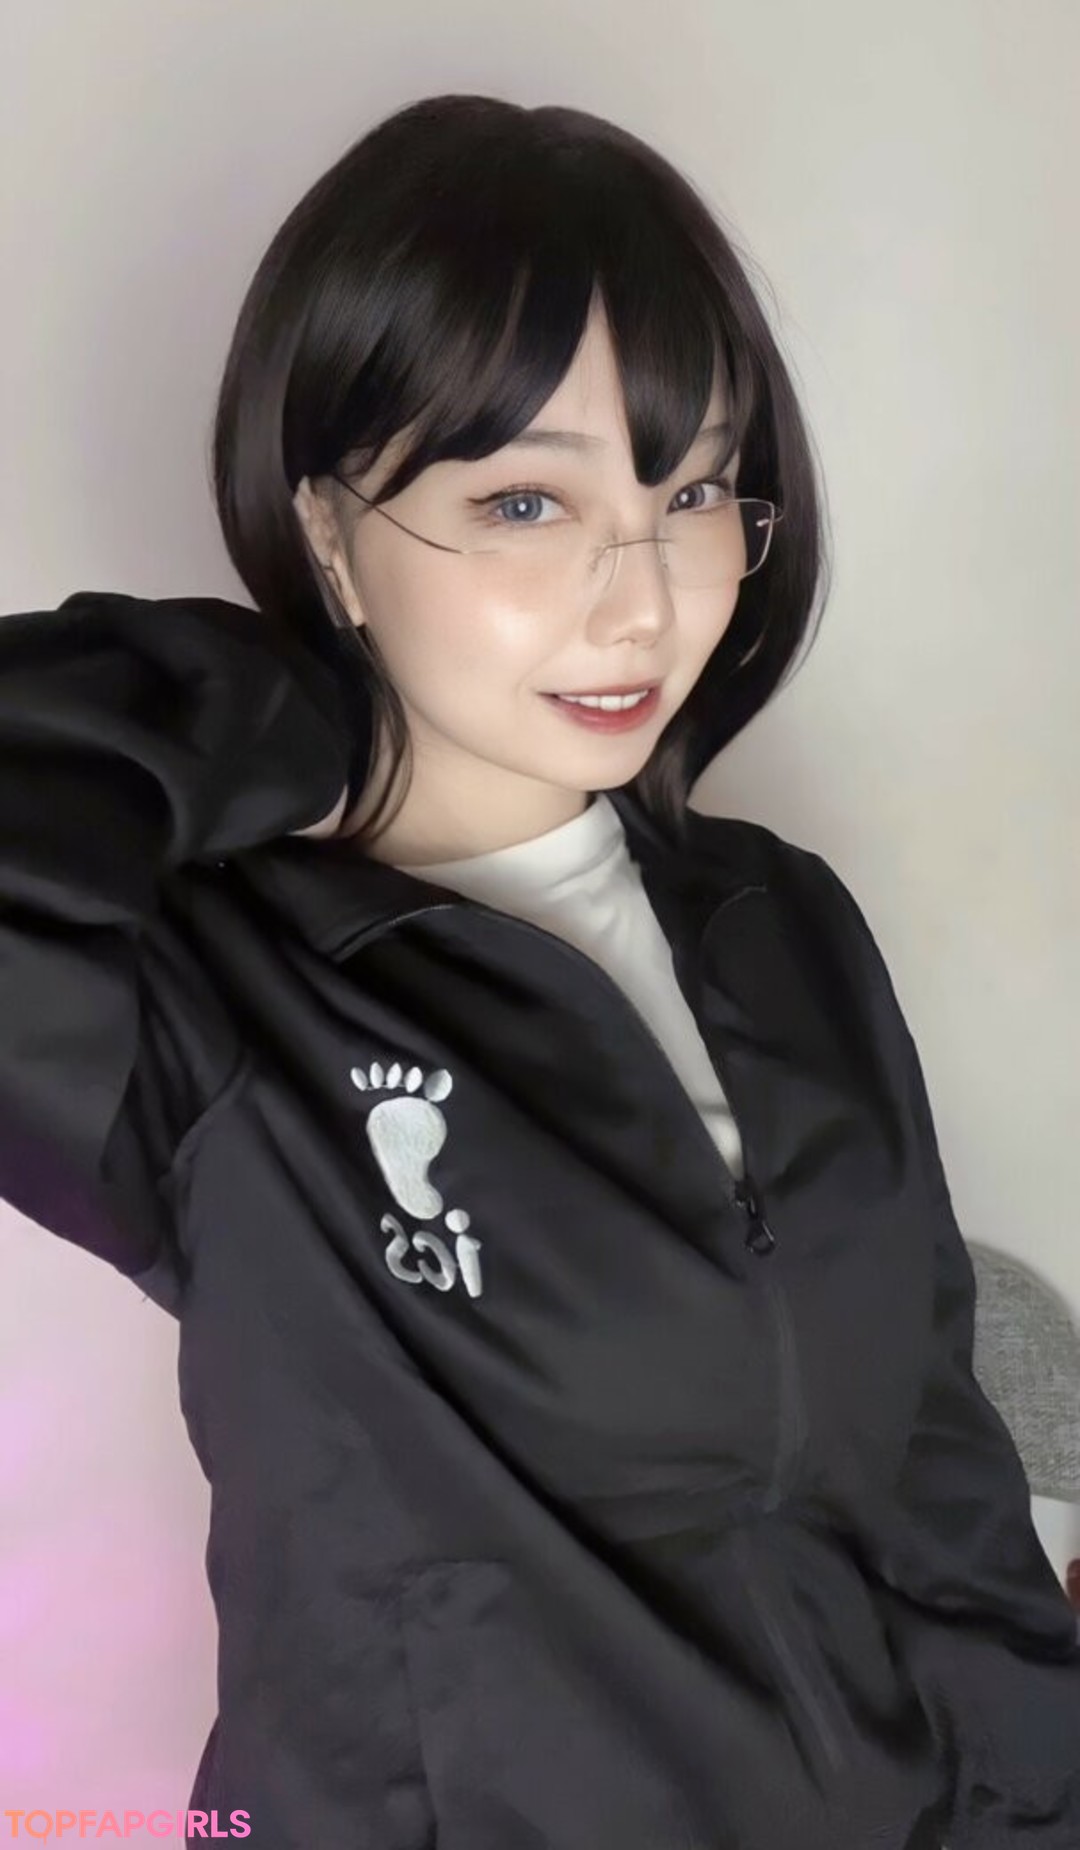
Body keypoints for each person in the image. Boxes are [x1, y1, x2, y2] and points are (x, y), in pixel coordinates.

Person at [1, 92, 1076, 1850]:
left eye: (692, 489)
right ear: (333, 533)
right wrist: (311, 718)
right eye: (522, 500)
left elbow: (933, 1469)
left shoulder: (783, 921)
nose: (641, 602)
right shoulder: (210, 996)